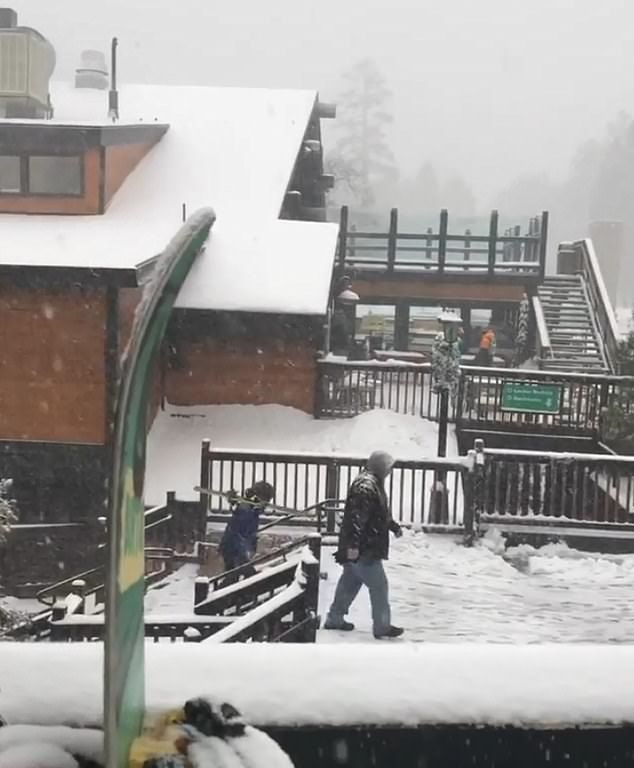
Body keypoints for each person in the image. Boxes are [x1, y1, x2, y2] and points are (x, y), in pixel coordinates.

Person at [324, 450, 404, 639]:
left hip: (359, 544)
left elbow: (376, 514)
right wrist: (354, 545)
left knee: (350, 581)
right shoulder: (367, 486)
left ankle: (335, 618)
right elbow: (357, 518)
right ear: (380, 467)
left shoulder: (368, 483)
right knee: (379, 585)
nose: (389, 472)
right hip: (364, 546)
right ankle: (382, 626)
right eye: (388, 467)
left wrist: (392, 526)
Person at [218, 481, 275, 578]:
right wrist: (243, 550)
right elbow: (241, 528)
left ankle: (225, 591)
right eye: (266, 499)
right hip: (234, 547)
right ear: (260, 496)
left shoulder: (250, 506)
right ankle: (220, 592)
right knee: (241, 575)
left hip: (235, 546)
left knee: (234, 575)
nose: (267, 503)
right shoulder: (246, 507)